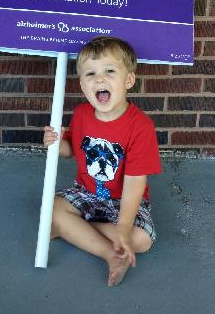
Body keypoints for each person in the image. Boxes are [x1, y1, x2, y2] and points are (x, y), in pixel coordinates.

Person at [43, 36, 162, 286]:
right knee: (49, 208)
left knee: (142, 239)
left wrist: (124, 225)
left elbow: (135, 183)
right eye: (90, 74)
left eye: (109, 71)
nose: (99, 79)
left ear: (128, 80)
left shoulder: (141, 127)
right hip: (86, 191)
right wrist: (54, 143)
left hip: (124, 200)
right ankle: (110, 253)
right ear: (82, 85)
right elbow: (71, 150)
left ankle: (71, 229)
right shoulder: (81, 114)